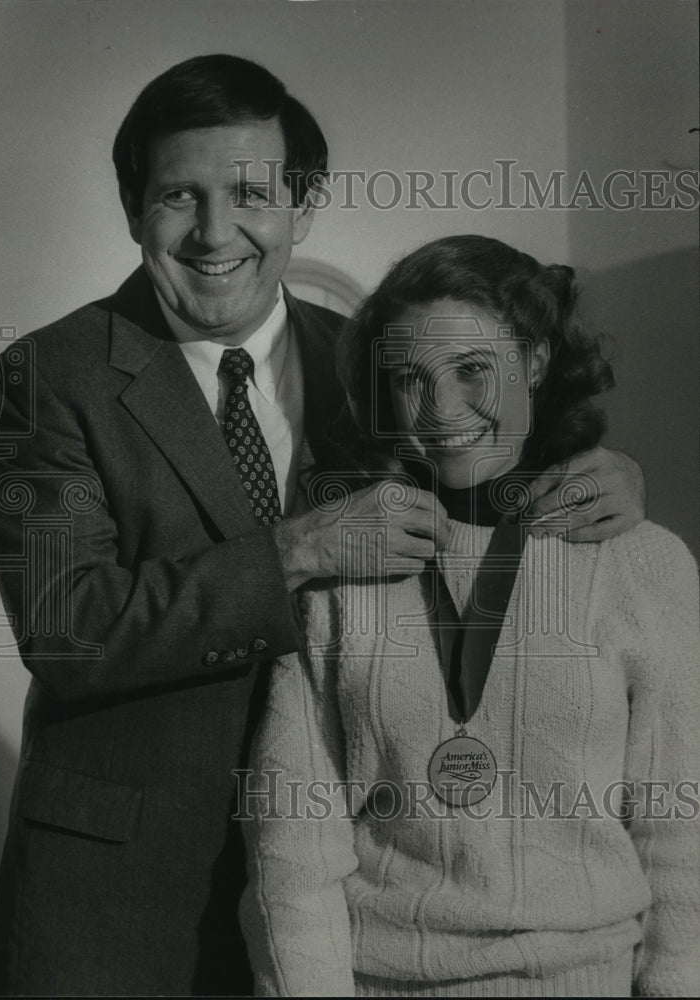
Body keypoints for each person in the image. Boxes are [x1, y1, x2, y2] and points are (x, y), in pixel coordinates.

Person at [0, 53, 646, 996]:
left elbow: (484, 494)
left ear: (303, 203)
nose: (217, 233)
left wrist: (599, 472)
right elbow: (66, 628)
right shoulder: (45, 377)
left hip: (349, 897)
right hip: (118, 899)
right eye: (179, 196)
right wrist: (294, 552)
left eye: (252, 192)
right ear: (133, 209)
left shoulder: (377, 368)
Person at [240, 235, 699, 998]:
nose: (442, 411)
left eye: (472, 370)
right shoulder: (343, 569)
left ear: (537, 361)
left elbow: (681, 832)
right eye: (410, 378)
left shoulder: (642, 564)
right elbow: (294, 851)